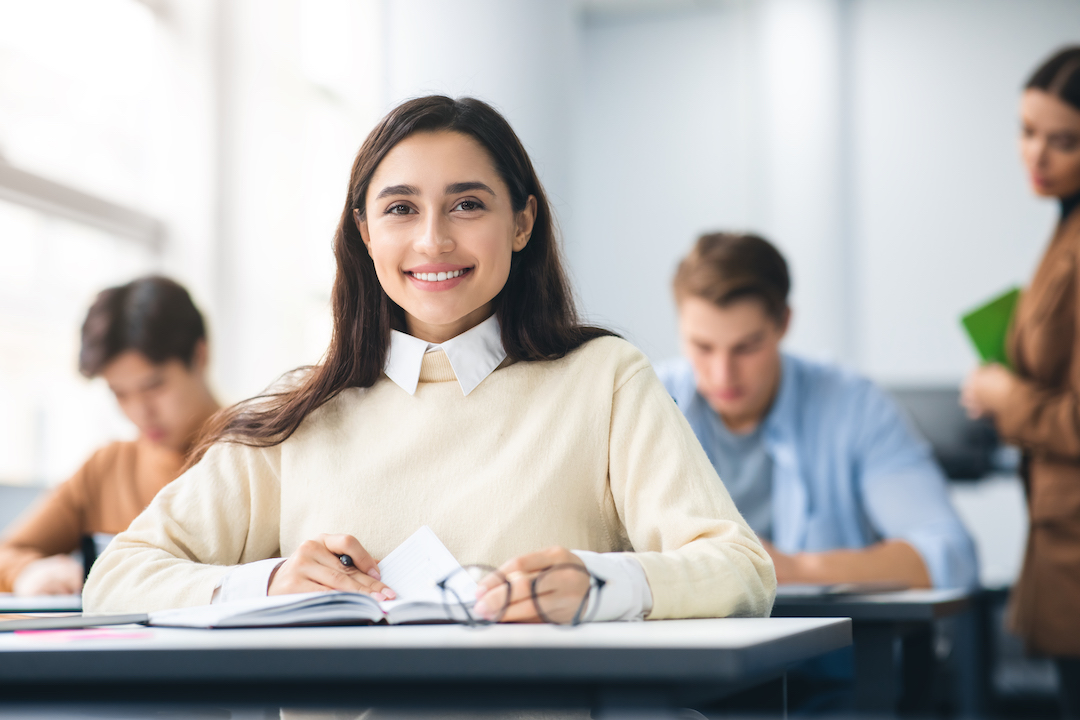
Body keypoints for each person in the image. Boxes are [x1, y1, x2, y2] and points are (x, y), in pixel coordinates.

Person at [83, 96, 775, 624]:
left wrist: (599, 585)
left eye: (468, 204)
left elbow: (741, 569)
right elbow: (116, 578)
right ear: (364, 232)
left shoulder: (604, 380)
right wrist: (267, 584)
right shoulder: (301, 412)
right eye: (401, 209)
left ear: (523, 222)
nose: (434, 240)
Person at [658, 232, 978, 591]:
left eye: (746, 347)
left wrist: (790, 568)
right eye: (702, 347)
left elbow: (952, 555)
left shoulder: (854, 406)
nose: (722, 374)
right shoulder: (646, 403)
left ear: (783, 323)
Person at [961, 46, 1080, 717]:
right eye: (1027, 131)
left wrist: (1011, 398)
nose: (1036, 156)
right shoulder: (1064, 225)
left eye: (1063, 141)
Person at [0, 276, 221, 595]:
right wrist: (26, 573)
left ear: (199, 356)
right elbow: (9, 552)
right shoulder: (108, 467)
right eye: (120, 393)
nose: (140, 411)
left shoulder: (260, 456)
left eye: (154, 386)